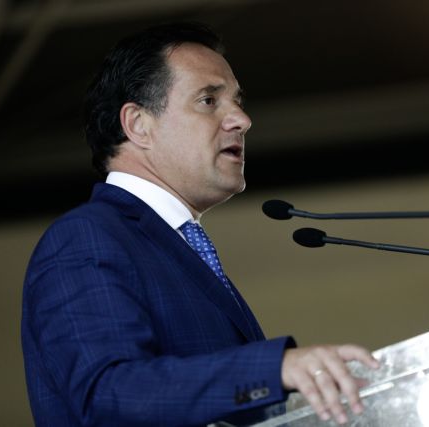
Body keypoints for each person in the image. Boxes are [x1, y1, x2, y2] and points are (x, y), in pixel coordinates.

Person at [21, 22, 379, 427]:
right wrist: (274, 369)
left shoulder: (176, 244)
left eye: (237, 102)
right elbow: (108, 394)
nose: (242, 119)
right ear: (138, 124)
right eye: (209, 100)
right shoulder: (86, 237)